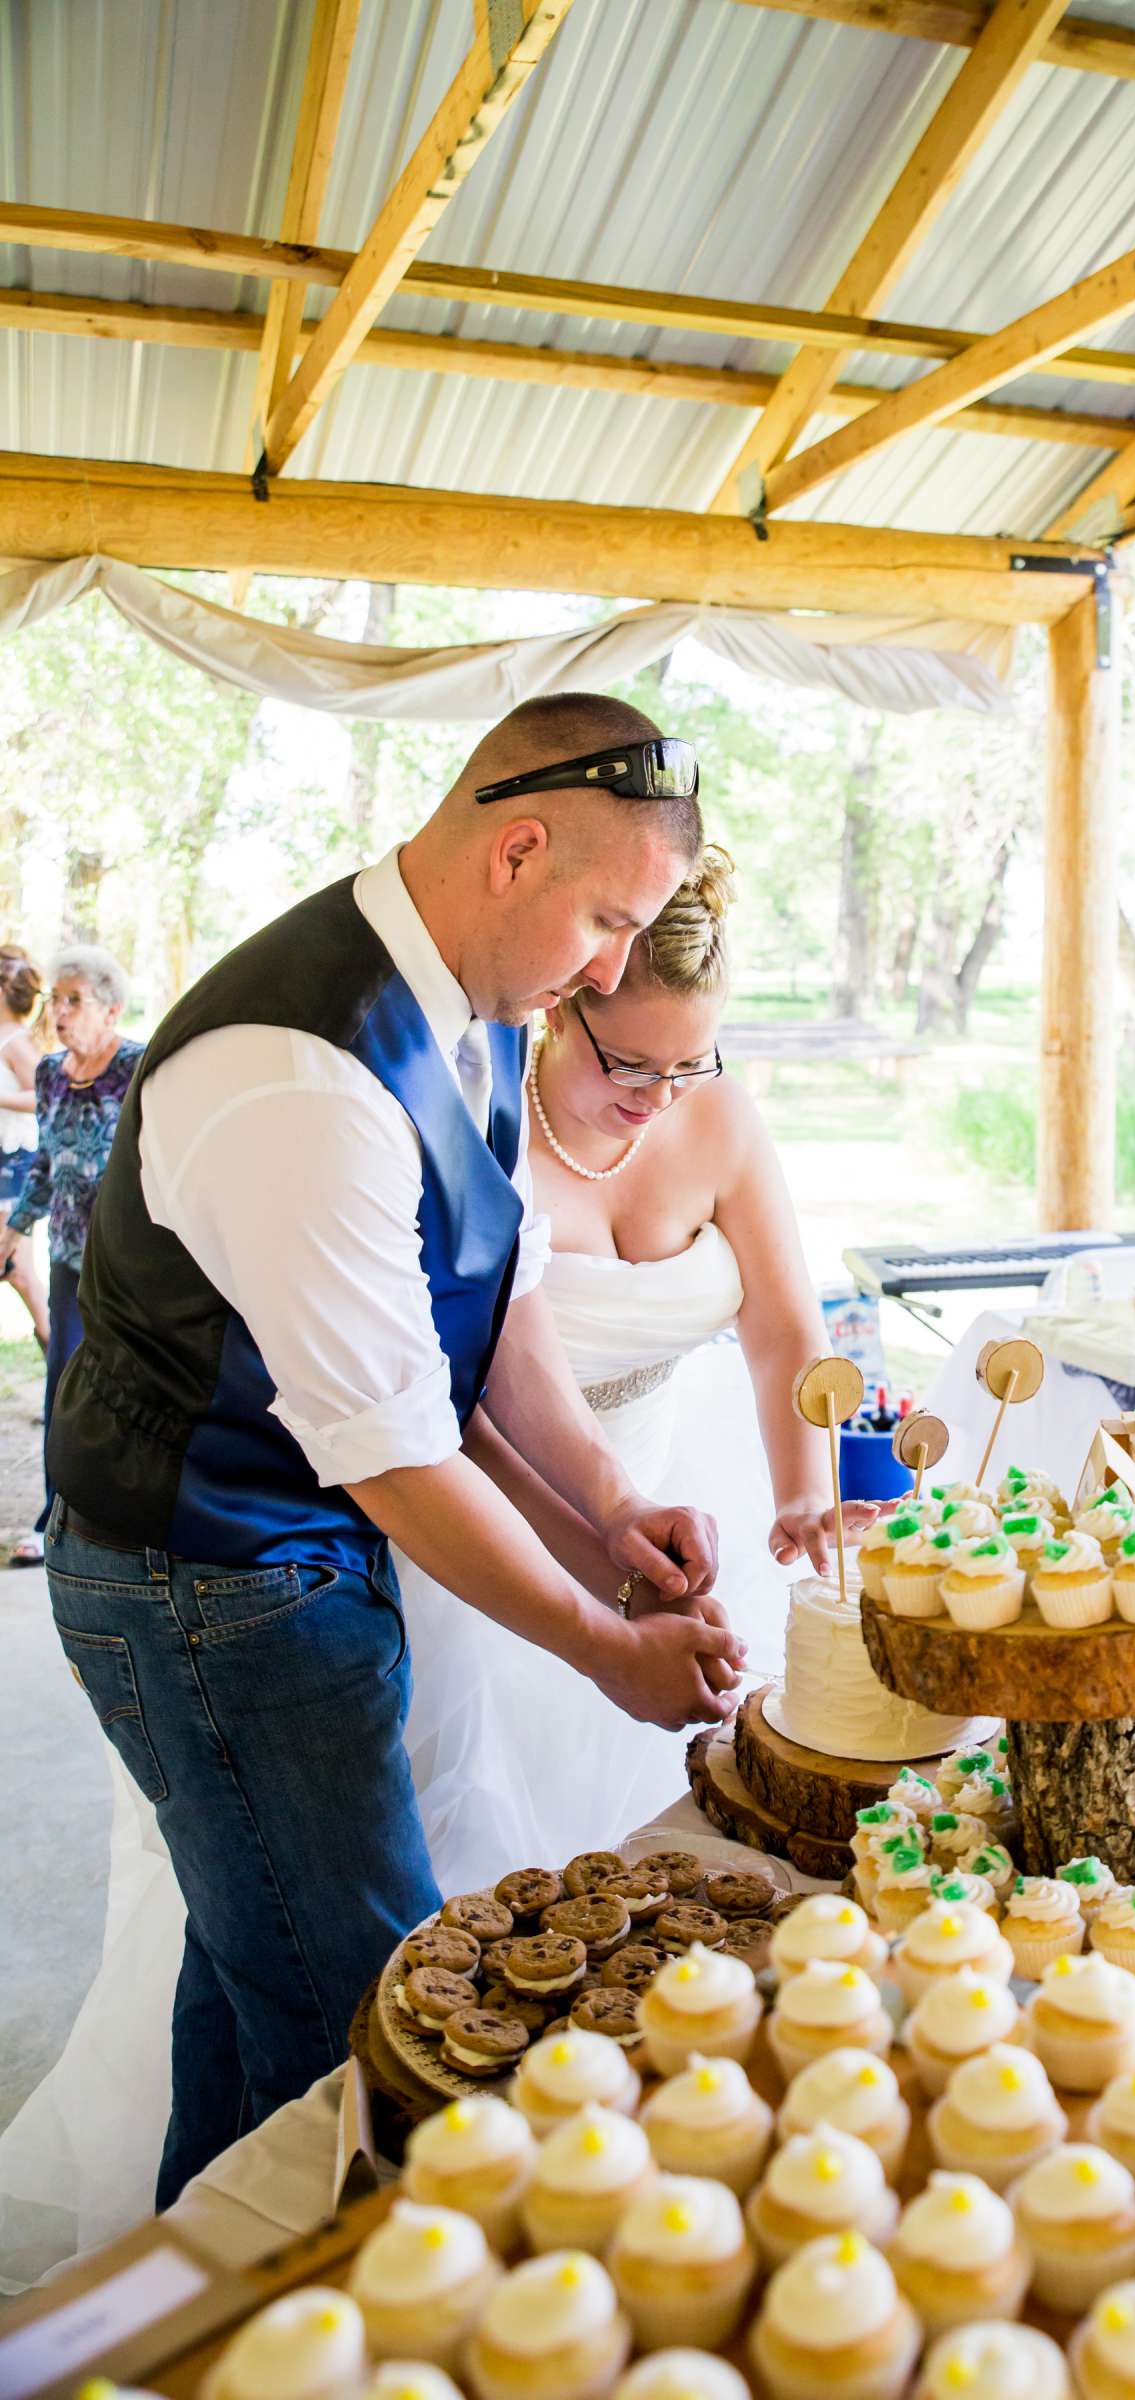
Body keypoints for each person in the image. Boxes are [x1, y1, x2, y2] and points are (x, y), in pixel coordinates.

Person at [35, 692, 746, 2209]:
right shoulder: (301, 1072)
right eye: (608, 922)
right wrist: (594, 1641)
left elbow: (497, 1313)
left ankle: (197, 2315)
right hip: (202, 1574)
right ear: (518, 851)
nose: (613, 974)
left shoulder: (471, 1014)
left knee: (249, 1981)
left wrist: (609, 1510)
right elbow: (402, 1453)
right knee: (367, 2015)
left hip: (280, 1542)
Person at [399, 846, 877, 1878]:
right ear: (565, 1006)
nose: (662, 1098)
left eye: (688, 1066)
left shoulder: (722, 1118)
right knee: (479, 1846)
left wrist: (801, 1492)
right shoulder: (481, 1121)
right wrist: (607, 1578)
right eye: (631, 1066)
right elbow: (466, 1409)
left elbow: (785, 1328)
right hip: (494, 1504)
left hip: (664, 1492)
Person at [0, 946, 141, 1566]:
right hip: (68, 1260)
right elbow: (46, 1160)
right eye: (56, 999)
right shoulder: (52, 1073)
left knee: (132, 1391)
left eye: (74, 1000)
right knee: (63, 1389)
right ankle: (56, 1519)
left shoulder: (140, 1067)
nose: (59, 1011)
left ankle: (130, 1520)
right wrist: (14, 1227)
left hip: (132, 1265)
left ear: (111, 1010)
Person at [0, 948, 49, 1360]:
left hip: (12, 1161)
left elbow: (43, 1095)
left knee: (13, 1263)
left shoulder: (16, 1041)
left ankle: (55, 1341)